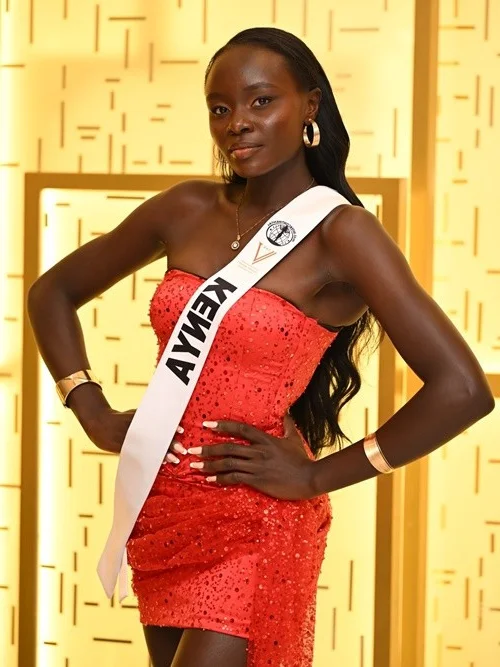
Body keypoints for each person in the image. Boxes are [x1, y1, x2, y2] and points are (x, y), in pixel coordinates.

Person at [27, 26, 494, 667]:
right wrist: (91, 409)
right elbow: (52, 293)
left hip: (257, 518)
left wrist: (317, 476)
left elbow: (463, 389)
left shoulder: (342, 234)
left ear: (310, 106)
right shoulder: (187, 209)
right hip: (161, 510)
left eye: (261, 101)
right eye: (220, 108)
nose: (237, 124)